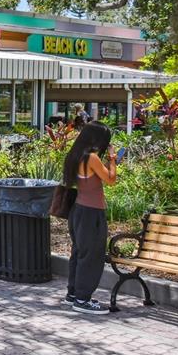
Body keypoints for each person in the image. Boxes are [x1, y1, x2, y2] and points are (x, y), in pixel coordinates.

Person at [62, 122, 117, 315]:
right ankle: (82, 299)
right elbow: (111, 180)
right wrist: (113, 159)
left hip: (78, 211)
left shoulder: (75, 155)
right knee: (92, 256)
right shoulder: (92, 157)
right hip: (92, 213)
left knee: (79, 253)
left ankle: (73, 294)